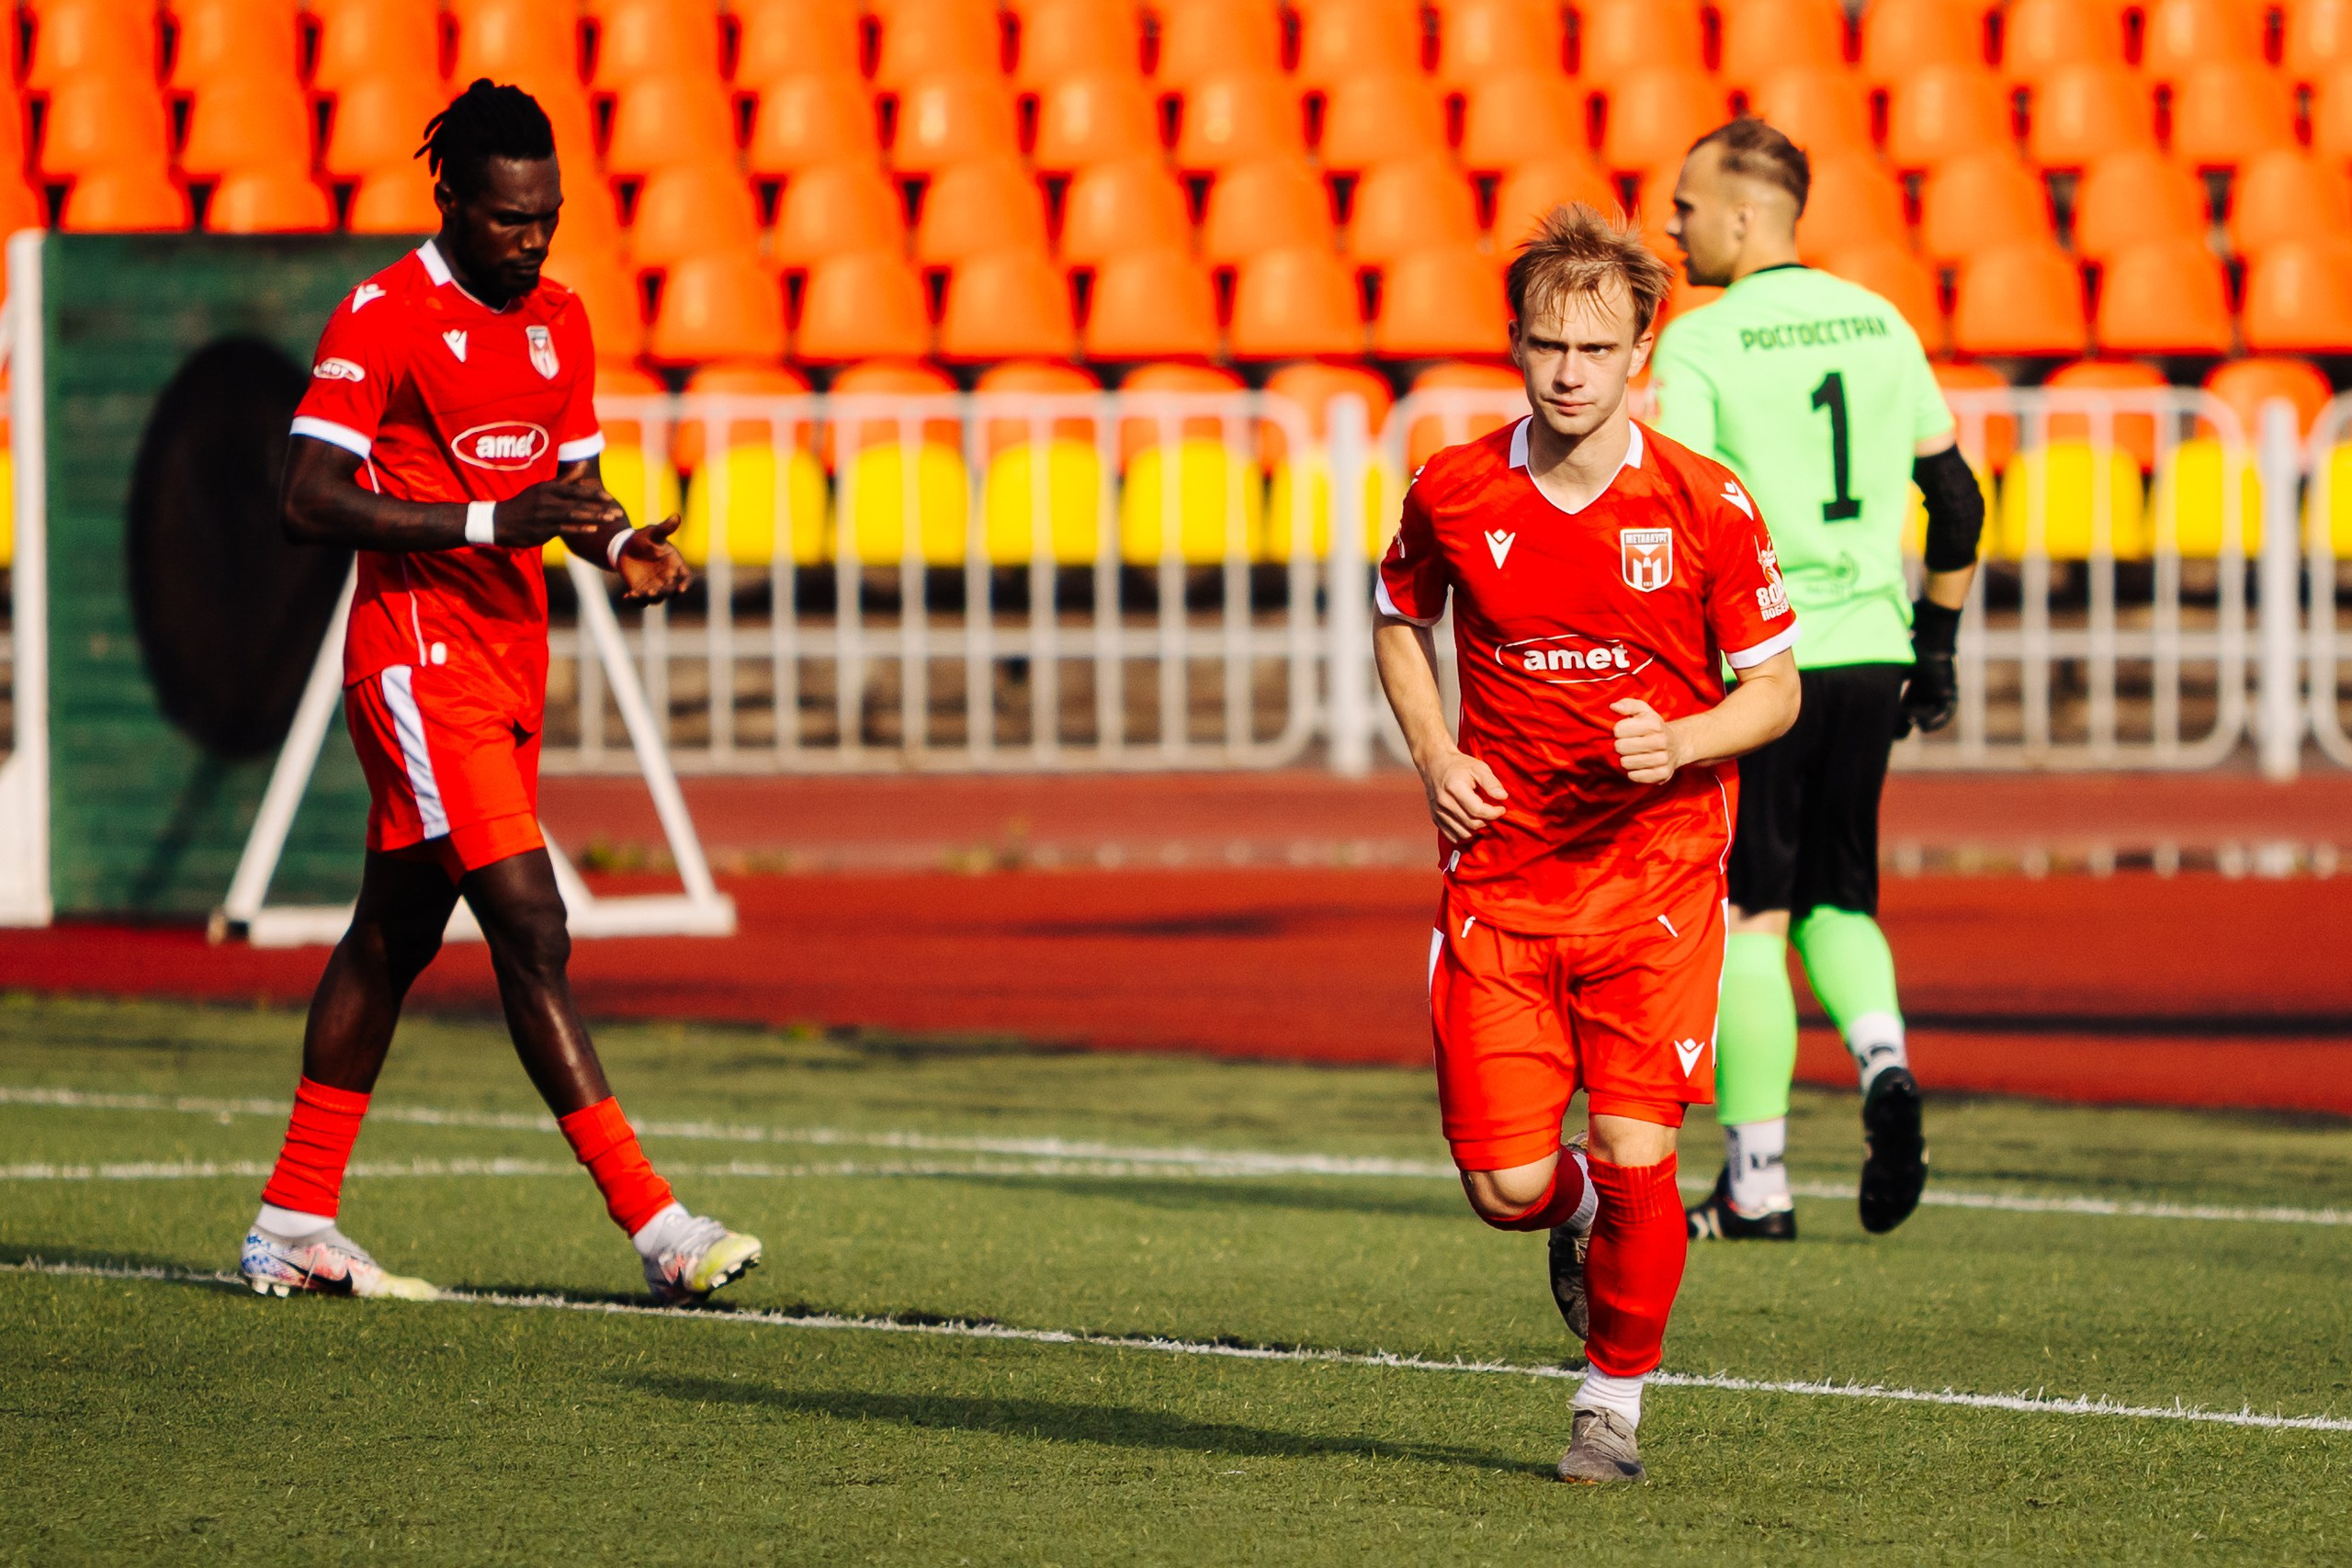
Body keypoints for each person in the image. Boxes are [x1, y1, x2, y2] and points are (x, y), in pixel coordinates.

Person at [237, 81, 762, 1305]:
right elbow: (303, 497)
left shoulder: (562, 320)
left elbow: (569, 497)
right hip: (416, 659)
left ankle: (291, 1217)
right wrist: (483, 519)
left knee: (395, 930)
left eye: (549, 216)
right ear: (453, 202)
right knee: (532, 924)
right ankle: (660, 1226)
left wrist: (621, 543)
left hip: (509, 658)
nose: (532, 239)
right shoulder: (383, 313)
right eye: (509, 218)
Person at [1374, 203, 1802, 1483]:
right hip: (1501, 883)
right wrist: (1438, 754)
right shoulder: (1453, 484)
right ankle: (1573, 1222)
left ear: (1639, 353)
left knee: (1639, 1149)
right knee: (1508, 1180)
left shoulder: (1703, 500)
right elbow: (1398, 617)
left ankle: (1609, 1403)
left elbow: (1778, 687)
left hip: (1657, 875)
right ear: (1516, 345)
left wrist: (1687, 737)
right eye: (1548, 345)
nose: (1570, 372)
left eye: (1596, 349)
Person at [1650, 118, 1986, 1242]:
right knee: (1839, 894)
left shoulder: (1700, 345)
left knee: (1749, 913)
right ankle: (1884, 1060)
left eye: (1687, 206)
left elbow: (1684, 519)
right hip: (1874, 652)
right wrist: (1934, 646)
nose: (1671, 224)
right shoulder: (1882, 321)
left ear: (1744, 216)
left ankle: (1756, 1183)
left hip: (1765, 665)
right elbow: (1958, 502)